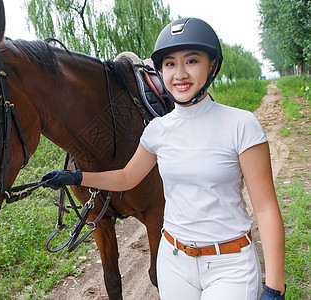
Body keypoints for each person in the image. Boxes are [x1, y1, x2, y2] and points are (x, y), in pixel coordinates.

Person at [41, 17, 286, 300]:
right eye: (170, 64)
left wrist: (274, 287)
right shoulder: (158, 129)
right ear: (161, 71)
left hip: (229, 263)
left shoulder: (241, 125)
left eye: (191, 61)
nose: (180, 73)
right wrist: (77, 177)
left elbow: (266, 209)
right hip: (174, 262)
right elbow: (127, 177)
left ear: (213, 66)